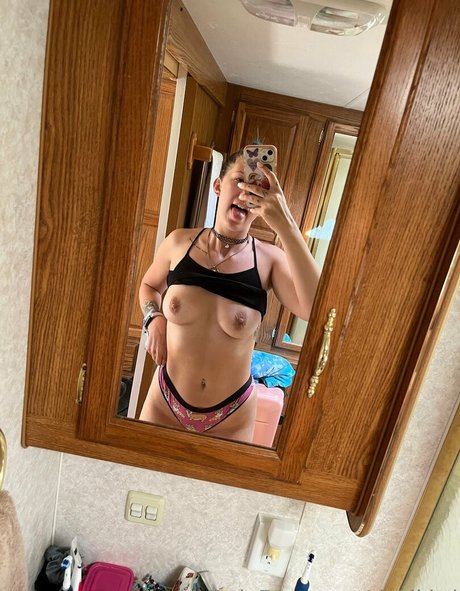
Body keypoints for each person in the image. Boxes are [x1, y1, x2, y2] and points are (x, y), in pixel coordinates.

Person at [138, 151, 320, 443]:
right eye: (239, 180)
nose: (247, 192)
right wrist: (154, 319)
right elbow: (148, 285)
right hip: (165, 403)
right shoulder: (178, 242)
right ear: (218, 185)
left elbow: (316, 308)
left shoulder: (269, 261)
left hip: (231, 417)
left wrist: (285, 225)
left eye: (257, 186)